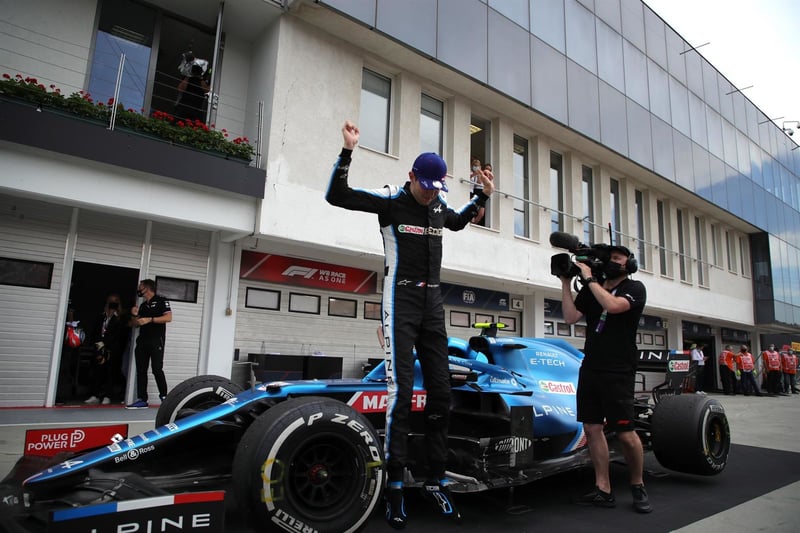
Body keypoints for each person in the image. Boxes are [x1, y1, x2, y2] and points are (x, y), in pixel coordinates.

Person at [326, 120, 493, 529]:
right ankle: (395, 485)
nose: (431, 194)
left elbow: (456, 221)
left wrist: (480, 195)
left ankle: (435, 478)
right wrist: (348, 151)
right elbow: (337, 196)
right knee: (400, 394)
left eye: (438, 188)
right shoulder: (389, 201)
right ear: (411, 177)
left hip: (433, 302)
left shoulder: (437, 205)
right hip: (399, 300)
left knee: (440, 392)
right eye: (426, 186)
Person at [559, 245, 652, 514]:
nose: (611, 262)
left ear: (628, 264)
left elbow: (612, 306)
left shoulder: (635, 289)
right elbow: (570, 316)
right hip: (591, 366)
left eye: (616, 259)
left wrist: (589, 279)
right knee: (592, 429)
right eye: (609, 258)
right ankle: (603, 489)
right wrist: (567, 283)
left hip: (618, 369)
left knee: (624, 432)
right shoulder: (593, 288)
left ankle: (637, 484)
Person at [126, 279, 172, 409]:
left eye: (140, 287)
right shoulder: (142, 305)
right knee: (141, 371)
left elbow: (168, 318)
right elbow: (135, 324)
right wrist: (134, 315)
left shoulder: (162, 300)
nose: (139, 290)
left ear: (147, 288)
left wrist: (150, 319)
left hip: (156, 340)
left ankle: (164, 397)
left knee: (157, 369)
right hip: (142, 341)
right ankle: (142, 399)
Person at [84, 294, 123, 405]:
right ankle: (95, 395)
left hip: (111, 350)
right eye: (110, 302)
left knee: (110, 373)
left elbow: (119, 334)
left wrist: (114, 315)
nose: (112, 304)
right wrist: (97, 345)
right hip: (98, 347)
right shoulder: (101, 317)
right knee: (97, 371)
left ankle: (107, 395)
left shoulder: (119, 318)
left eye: (115, 302)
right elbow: (95, 331)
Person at [469, 158, 486, 225]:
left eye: (477, 165)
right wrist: (474, 174)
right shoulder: (470, 172)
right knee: (472, 208)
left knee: (481, 212)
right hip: (471, 191)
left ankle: (474, 223)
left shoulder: (481, 173)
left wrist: (479, 174)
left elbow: (479, 182)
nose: (476, 167)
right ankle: (471, 222)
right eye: (474, 165)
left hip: (480, 191)